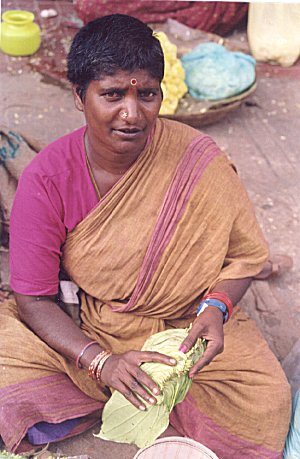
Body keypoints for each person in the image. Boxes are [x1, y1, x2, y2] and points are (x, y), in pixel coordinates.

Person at [0, 14, 291, 458]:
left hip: (189, 329)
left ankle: (140, 408)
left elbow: (244, 256)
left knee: (266, 401)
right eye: (113, 94)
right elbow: (35, 299)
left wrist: (217, 308)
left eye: (147, 94)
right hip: (96, 324)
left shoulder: (197, 160)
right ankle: (120, 398)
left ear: (161, 94)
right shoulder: (47, 180)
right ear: (80, 96)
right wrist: (102, 362)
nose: (132, 114)